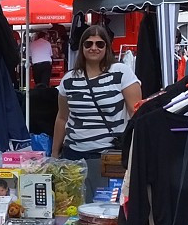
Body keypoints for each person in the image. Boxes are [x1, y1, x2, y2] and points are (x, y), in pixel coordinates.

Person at [52, 24, 141, 201]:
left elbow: (136, 113)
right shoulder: (69, 80)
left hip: (108, 157)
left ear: (107, 47)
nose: (94, 48)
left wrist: (139, 151)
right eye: (89, 44)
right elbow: (62, 118)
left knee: (105, 212)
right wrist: (55, 154)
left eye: (100, 44)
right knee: (71, 210)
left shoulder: (121, 72)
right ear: (82, 47)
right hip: (73, 157)